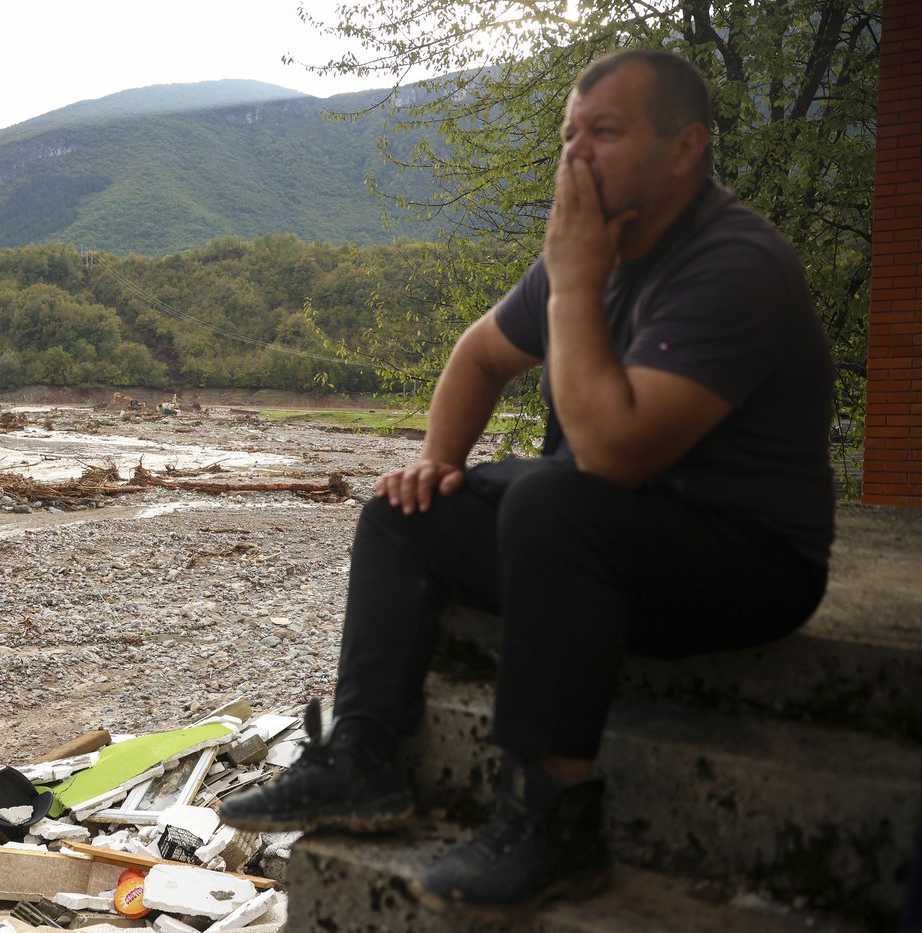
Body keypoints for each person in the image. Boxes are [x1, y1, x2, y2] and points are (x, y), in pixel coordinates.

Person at [219, 48, 835, 914]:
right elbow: (479, 357)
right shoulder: (589, 248)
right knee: (403, 511)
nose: (577, 155)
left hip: (746, 556)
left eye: (606, 133)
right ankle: (363, 758)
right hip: (605, 529)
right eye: (569, 135)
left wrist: (578, 280)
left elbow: (613, 451)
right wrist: (439, 463)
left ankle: (554, 817)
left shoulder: (733, 263)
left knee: (555, 496)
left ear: (685, 148)